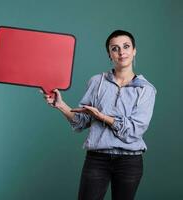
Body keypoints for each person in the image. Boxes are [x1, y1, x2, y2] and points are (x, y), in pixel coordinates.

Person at [40, 30, 156, 200]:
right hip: (97, 159)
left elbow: (134, 131)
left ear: (134, 50)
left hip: (129, 162)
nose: (121, 52)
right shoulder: (96, 82)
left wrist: (102, 117)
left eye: (126, 46)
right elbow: (81, 121)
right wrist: (61, 105)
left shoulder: (146, 89)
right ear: (109, 54)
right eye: (115, 48)